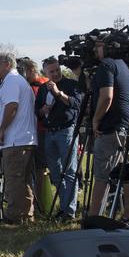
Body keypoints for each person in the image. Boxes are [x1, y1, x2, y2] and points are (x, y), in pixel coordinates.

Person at [89, 38, 129, 220]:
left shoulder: (107, 65)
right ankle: (128, 217)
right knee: (128, 175)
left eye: (98, 46)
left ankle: (94, 218)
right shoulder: (124, 65)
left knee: (102, 177)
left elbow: (106, 97)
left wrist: (96, 120)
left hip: (112, 129)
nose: (95, 50)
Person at [0, 53, 38, 223]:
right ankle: (26, 214)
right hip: (23, 139)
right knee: (22, 180)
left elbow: (12, 106)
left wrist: (2, 130)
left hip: (15, 140)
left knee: (13, 178)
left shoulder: (12, 81)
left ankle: (14, 216)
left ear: (6, 64)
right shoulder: (18, 81)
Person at [40, 56, 83, 220]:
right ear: (46, 73)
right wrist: (42, 111)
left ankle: (69, 210)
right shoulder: (44, 88)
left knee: (70, 171)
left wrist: (59, 94)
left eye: (57, 70)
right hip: (49, 132)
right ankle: (63, 206)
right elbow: (37, 110)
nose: (56, 73)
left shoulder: (71, 84)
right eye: (52, 71)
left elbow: (76, 104)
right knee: (56, 173)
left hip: (66, 130)